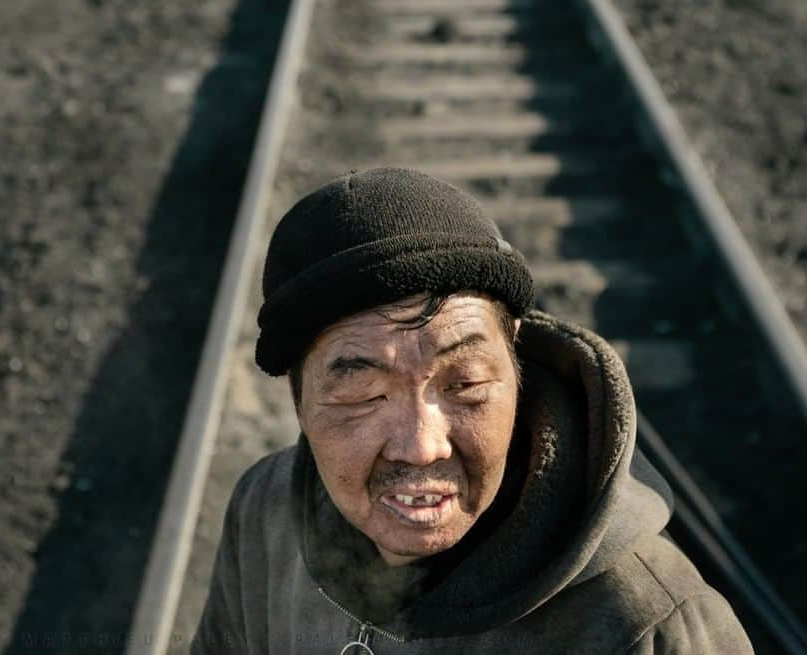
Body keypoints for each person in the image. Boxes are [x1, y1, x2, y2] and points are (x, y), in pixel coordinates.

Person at [192, 167, 753, 654]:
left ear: (516, 363)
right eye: (364, 394)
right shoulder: (264, 514)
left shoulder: (651, 626)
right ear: (299, 397)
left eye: (465, 383)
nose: (421, 445)